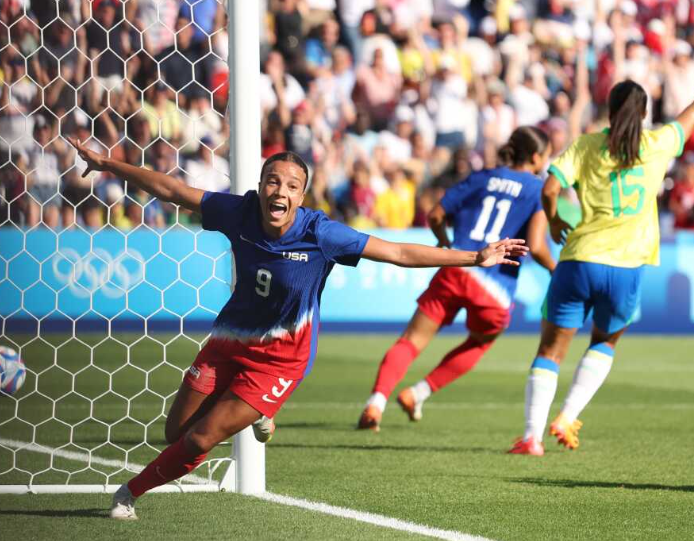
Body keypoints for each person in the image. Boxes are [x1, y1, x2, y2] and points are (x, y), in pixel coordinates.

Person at [68, 142, 529, 520]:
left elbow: (399, 254)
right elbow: (172, 191)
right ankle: (259, 415)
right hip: (228, 342)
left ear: (302, 197)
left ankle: (128, 494)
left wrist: (474, 256)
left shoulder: (322, 234)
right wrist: (107, 165)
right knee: (176, 434)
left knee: (203, 438)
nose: (280, 191)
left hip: (280, 362)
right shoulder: (240, 213)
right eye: (273, 181)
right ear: (260, 185)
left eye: (291, 185)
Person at [509, 80, 694, 456]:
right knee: (605, 342)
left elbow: (549, 189)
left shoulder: (587, 145)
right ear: (644, 114)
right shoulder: (657, 145)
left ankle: (532, 437)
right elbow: (686, 121)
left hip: (579, 259)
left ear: (608, 111)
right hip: (626, 266)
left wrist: (555, 219)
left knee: (551, 350)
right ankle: (568, 416)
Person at [357, 126, 555, 431]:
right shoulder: (536, 190)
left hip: (457, 266)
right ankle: (417, 393)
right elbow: (538, 245)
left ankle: (375, 403)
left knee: (411, 341)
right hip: (496, 285)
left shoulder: (482, 176)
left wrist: (443, 242)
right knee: (479, 342)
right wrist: (557, 270)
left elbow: (435, 214)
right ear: (537, 157)